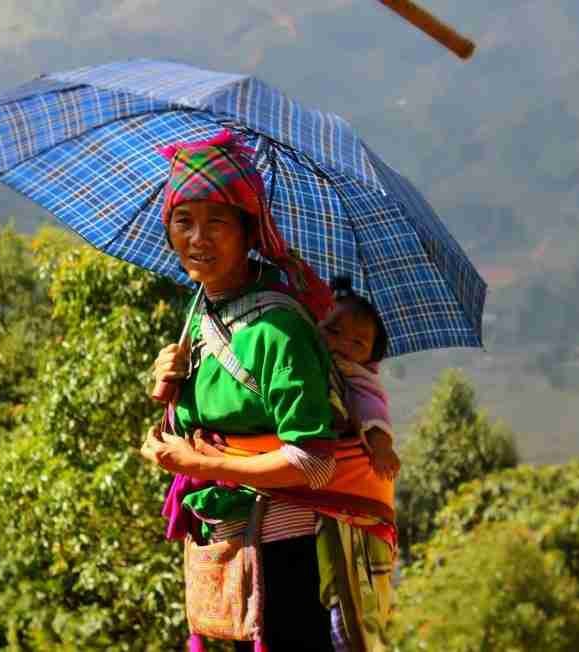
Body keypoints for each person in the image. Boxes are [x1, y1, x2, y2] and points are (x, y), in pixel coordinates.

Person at [139, 129, 342, 651]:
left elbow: (314, 464)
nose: (197, 238)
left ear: (250, 232)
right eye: (183, 221)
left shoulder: (278, 329)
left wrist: (202, 465)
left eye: (217, 222)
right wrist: (165, 395)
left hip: (280, 554)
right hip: (220, 553)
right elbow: (194, 435)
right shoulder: (204, 312)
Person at [319, 276, 400, 480]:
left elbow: (371, 408)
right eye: (333, 330)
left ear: (371, 356)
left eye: (358, 343)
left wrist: (381, 447)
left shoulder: (357, 376)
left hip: (334, 467)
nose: (343, 343)